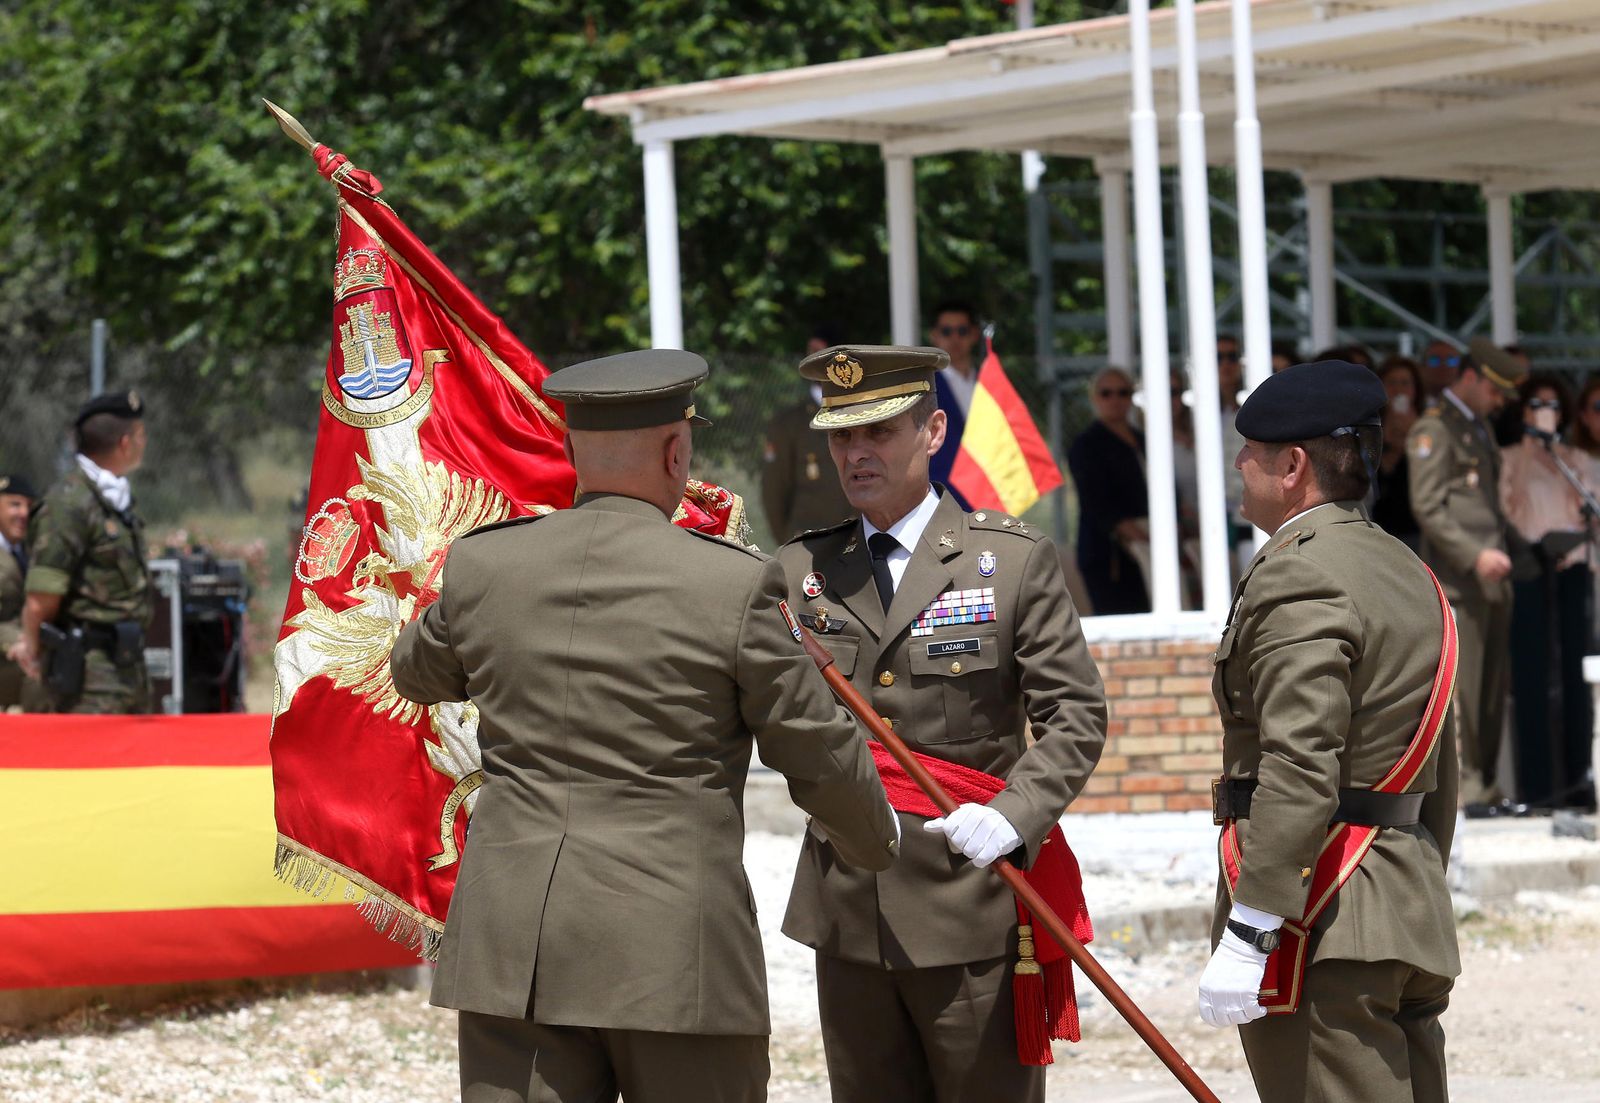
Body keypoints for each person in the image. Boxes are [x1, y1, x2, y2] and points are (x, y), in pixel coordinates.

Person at [389, 349, 899, 1103]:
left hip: (516, 951)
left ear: (571, 451)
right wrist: (878, 840)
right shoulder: (730, 581)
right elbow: (815, 748)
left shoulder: (484, 566)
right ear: (676, 454)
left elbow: (413, 672)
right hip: (673, 953)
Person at [776, 342, 1108, 1103]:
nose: (856, 453)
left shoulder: (1010, 562)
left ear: (932, 432)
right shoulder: (801, 572)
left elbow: (1076, 713)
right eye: (842, 436)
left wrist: (1015, 814)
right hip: (850, 904)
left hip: (971, 897)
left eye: (879, 432)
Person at [1198, 360, 1459, 1103]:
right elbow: (1439, 758)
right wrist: (1417, 874)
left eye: (1250, 451)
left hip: (1322, 914)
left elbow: (1300, 759)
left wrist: (1253, 925)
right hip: (1402, 895)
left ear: (1292, 467)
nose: (1239, 465)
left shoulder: (1299, 572)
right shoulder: (1407, 568)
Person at [1407, 337, 1525, 811]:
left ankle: (1486, 784)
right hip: (1461, 578)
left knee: (1491, 690)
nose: (1498, 402)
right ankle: (1470, 786)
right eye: (1494, 390)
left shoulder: (1478, 427)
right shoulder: (1435, 429)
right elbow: (1428, 506)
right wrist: (1475, 556)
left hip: (1491, 577)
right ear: (1471, 377)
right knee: (1469, 690)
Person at [8, 393, 153, 714]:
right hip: (88, 678)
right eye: (141, 435)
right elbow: (41, 598)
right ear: (125, 443)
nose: (145, 443)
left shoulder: (113, 499)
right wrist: (32, 648)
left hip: (126, 667)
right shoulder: (69, 503)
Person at [1500, 374, 1596, 810]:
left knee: (1576, 678)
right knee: (1532, 679)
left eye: (1553, 405)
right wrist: (1530, 448)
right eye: (1537, 404)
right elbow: (1505, 511)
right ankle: (1536, 788)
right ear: (1523, 411)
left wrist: (1558, 456)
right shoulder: (1508, 458)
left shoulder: (1575, 459)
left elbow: (1589, 512)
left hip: (1571, 571)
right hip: (1529, 571)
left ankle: (1579, 780)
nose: (1546, 413)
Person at [1066, 367, 1150, 614]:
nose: (1115, 399)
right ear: (1095, 398)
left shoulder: (1143, 439)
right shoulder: (1086, 444)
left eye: (1123, 393)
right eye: (1106, 393)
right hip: (1107, 555)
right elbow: (1095, 501)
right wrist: (1137, 534)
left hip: (1146, 546)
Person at [761, 324, 854, 542]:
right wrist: (789, 543)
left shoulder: (864, 414)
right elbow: (774, 492)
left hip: (859, 539)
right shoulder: (788, 424)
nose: (815, 359)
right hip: (810, 544)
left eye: (822, 352)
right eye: (812, 351)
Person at [927, 300, 982, 502]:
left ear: (974, 334)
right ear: (934, 335)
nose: (955, 338)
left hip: (985, 491)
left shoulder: (987, 382)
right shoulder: (926, 386)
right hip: (943, 493)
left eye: (962, 331)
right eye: (946, 331)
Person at [1372, 356, 1425, 550]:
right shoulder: (1371, 425)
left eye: (1405, 383)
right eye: (1392, 383)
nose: (1399, 390)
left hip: (1415, 526)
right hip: (1380, 524)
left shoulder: (1427, 426)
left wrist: (1413, 435)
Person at [0, 473, 40, 710]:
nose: (24, 513)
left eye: (29, 506)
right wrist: (16, 641)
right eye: (15, 505)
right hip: (8, 653)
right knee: (38, 676)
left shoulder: (30, 551)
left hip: (27, 646)